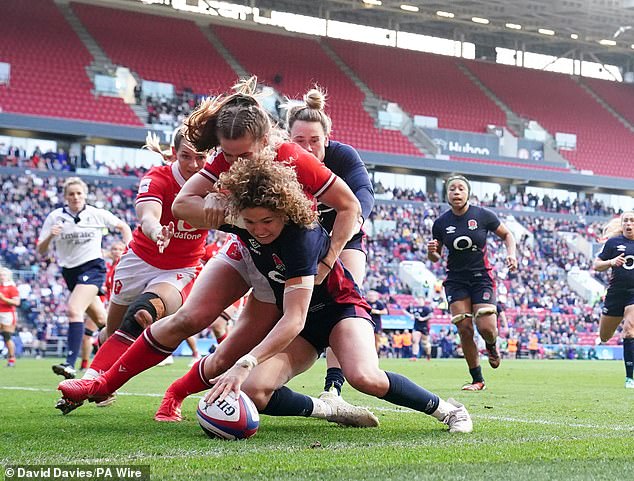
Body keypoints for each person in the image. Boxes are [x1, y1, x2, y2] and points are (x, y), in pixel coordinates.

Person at [59, 156, 473, 434]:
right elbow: (185, 208)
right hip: (299, 320)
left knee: (364, 378)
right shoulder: (249, 219)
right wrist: (210, 188)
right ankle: (325, 407)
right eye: (250, 221)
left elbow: (292, 319)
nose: (258, 229)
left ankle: (448, 409)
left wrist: (246, 361)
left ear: (286, 212)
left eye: (267, 222)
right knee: (255, 391)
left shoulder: (301, 238)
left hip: (337, 310)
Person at [55, 76, 364, 419]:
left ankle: (175, 392)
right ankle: (101, 384)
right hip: (244, 249)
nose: (232, 163)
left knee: (227, 354)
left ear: (265, 140)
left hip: (278, 265)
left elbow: (350, 206)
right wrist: (222, 210)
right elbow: (183, 206)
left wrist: (330, 257)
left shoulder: (294, 158)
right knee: (189, 317)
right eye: (226, 154)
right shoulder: (226, 159)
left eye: (242, 154)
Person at [54, 128, 209, 414]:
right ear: (174, 153)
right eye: (186, 156)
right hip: (138, 261)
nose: (194, 164)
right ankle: (101, 359)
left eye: (201, 157)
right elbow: (147, 216)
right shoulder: (157, 177)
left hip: (180, 268)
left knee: (143, 314)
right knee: (112, 333)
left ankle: (88, 381)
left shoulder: (216, 181)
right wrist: (157, 230)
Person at [286, 87, 375, 397]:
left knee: (346, 296)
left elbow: (363, 193)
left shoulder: (343, 155)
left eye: (315, 141)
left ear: (326, 138)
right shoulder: (281, 160)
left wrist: (355, 222)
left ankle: (333, 387)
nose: (308, 149)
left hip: (343, 232)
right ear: (288, 139)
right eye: (300, 141)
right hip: (301, 238)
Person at [427, 175, 517, 391]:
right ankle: (477, 379)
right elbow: (436, 257)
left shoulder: (483, 215)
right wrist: (431, 253)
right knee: (464, 329)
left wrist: (511, 255)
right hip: (456, 281)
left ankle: (491, 345)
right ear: (447, 195)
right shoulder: (440, 223)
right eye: (452, 189)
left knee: (486, 327)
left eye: (460, 189)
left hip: (482, 278)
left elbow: (507, 235)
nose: (456, 192)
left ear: (468, 193)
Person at [37, 177, 132, 380]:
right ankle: (121, 361)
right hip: (70, 272)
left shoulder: (96, 214)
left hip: (93, 267)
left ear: (85, 195)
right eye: (71, 194)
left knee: (74, 309)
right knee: (102, 322)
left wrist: (129, 250)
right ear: (65, 197)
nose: (75, 197)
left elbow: (123, 226)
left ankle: (70, 364)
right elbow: (41, 250)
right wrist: (50, 236)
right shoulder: (55, 217)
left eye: (79, 193)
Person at [593, 211, 634, 389]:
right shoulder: (613, 243)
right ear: (621, 224)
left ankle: (629, 378)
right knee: (605, 336)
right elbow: (596, 265)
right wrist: (611, 262)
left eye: (632, 220)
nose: (629, 223)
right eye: (626, 220)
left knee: (629, 330)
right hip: (615, 294)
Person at [0, 267, 20, 367]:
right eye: (0, 275)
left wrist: (3, 298)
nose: (1, 277)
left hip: (7, 314)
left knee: (6, 337)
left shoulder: (12, 288)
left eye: (4, 275)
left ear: (8, 277)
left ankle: (11, 358)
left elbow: (16, 302)